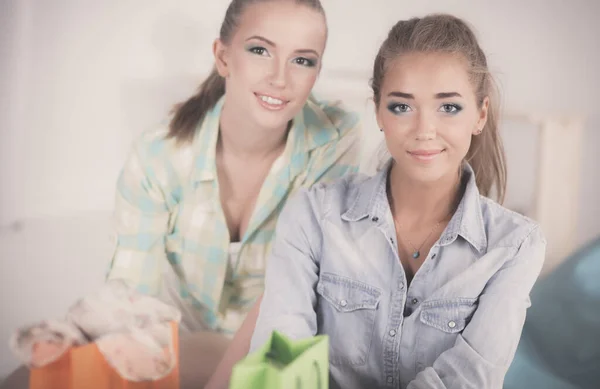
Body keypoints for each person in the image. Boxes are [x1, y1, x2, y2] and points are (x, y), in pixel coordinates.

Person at [247, 14, 546, 389]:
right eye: (402, 106)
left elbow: (468, 380)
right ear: (378, 112)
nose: (424, 130)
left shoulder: (515, 246)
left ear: (480, 115)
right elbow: (279, 367)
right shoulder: (312, 216)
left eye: (448, 107)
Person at [105, 0, 360, 386]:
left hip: (283, 346)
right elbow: (130, 298)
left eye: (302, 61)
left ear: (316, 72)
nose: (280, 78)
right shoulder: (158, 156)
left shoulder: (334, 139)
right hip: (188, 341)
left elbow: (296, 284)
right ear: (223, 58)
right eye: (260, 50)